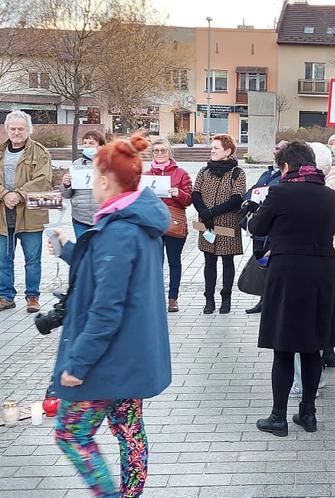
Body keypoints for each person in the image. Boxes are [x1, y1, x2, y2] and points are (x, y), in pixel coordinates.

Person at [48, 133, 172, 498]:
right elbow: (110, 281)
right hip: (130, 357)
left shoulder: (117, 231)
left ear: (104, 181)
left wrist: (77, 365)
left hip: (108, 359)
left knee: (71, 434)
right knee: (129, 430)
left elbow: (105, 310)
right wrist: (70, 250)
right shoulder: (136, 219)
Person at [249, 141, 335, 437]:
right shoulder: (330, 196)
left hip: (287, 272)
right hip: (322, 272)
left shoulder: (280, 192)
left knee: (284, 347)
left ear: (286, 166)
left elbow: (257, 228)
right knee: (313, 346)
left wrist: (253, 211)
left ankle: (278, 417)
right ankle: (308, 412)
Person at [0, 110, 52, 313]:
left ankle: (32, 296)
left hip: (31, 213)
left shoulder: (40, 152)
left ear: (29, 130)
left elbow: (43, 180)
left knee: (32, 258)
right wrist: (4, 194)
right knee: (3, 258)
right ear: (6, 130)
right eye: (12, 128)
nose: (16, 132)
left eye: (20, 128)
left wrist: (18, 195)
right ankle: (5, 296)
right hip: (3, 214)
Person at [192, 134, 246, 314]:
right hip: (206, 224)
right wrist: (204, 213)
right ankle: (209, 299)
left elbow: (237, 199)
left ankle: (226, 298)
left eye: (216, 148)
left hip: (227, 224)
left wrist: (212, 212)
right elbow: (196, 193)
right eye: (212, 148)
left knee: (227, 261)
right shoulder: (204, 171)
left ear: (227, 151)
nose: (212, 151)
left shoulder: (238, 173)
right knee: (209, 261)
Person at [144, 137, 192, 312]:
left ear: (170, 153)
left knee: (174, 262)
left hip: (174, 223)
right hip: (153, 225)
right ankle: (155, 298)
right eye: (156, 151)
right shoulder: (146, 176)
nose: (159, 154)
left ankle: (173, 298)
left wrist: (178, 193)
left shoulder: (181, 173)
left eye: (163, 150)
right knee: (154, 263)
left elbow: (188, 200)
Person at [242, 140, 286, 315]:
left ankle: (271, 301)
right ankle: (262, 299)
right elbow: (252, 190)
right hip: (259, 229)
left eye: (279, 149)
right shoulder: (267, 173)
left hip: (272, 230)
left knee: (272, 266)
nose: (275, 151)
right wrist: (249, 200)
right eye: (275, 148)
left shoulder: (284, 177)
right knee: (260, 265)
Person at [60, 130, 105, 239]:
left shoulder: (109, 165)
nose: (87, 146)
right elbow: (66, 195)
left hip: (102, 217)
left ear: (101, 146)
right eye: (85, 143)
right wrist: (66, 185)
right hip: (80, 217)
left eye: (91, 143)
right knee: (83, 251)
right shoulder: (77, 164)